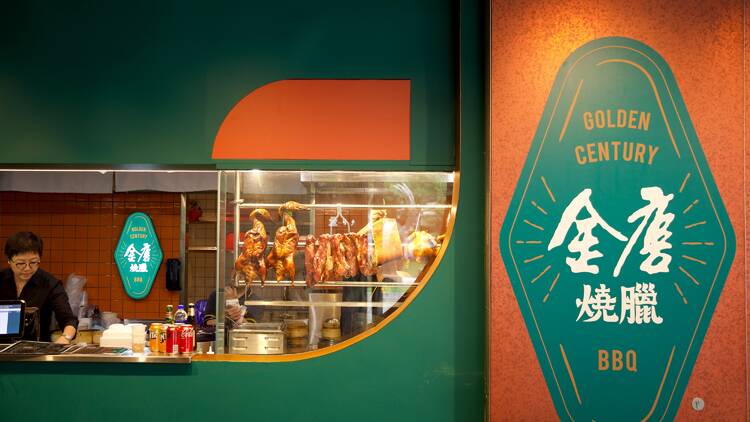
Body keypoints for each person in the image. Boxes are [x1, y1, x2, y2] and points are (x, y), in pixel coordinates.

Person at [0, 232, 78, 343]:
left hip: (36, 351)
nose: (27, 268)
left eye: (33, 262)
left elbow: (68, 319)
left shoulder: (50, 283)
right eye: (21, 263)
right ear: (9, 260)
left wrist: (66, 337)